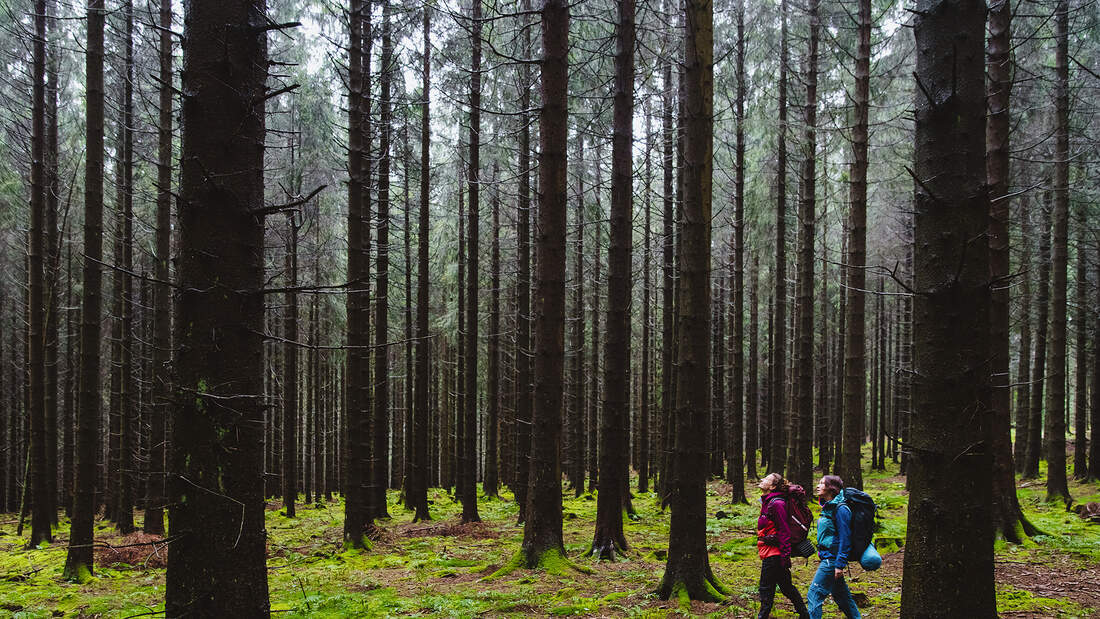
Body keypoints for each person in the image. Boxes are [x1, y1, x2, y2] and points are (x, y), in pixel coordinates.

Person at [756, 473, 810, 619]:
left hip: (774, 554)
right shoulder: (769, 502)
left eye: (766, 479)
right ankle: (805, 615)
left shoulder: (777, 504)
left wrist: (785, 558)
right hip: (771, 553)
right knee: (786, 588)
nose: (762, 480)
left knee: (766, 588)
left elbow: (784, 532)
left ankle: (763, 616)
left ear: (773, 486)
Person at [808, 474, 862, 619]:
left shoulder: (841, 509)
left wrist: (839, 564)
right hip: (828, 557)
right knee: (842, 597)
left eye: (821, 483)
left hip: (832, 560)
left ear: (831, 489)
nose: (818, 486)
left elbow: (846, 538)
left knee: (814, 594)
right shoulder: (829, 507)